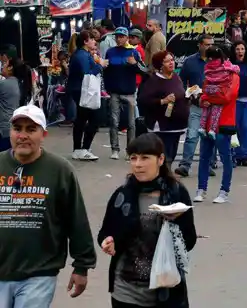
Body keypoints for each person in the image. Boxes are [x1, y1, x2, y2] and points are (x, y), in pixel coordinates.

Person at [0, 105, 96, 305]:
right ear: (10, 132)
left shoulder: (60, 170)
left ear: (43, 134)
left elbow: (76, 219)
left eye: (31, 129)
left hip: (39, 273)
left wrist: (82, 265)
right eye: (18, 129)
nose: (23, 135)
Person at [98, 133, 196, 308]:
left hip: (165, 288)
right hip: (125, 289)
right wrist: (107, 241)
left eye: (145, 158)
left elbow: (189, 241)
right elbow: (105, 232)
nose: (138, 164)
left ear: (160, 159)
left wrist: (173, 224)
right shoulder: (122, 195)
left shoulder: (175, 193)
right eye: (133, 158)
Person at [194, 46, 237, 204]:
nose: (211, 61)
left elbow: (227, 97)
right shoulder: (209, 74)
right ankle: (201, 189)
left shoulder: (232, 74)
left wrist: (208, 99)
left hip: (224, 122)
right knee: (204, 157)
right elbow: (205, 92)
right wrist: (203, 98)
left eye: (214, 58)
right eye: (209, 58)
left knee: (226, 158)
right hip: (207, 123)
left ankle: (224, 191)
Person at [138, 51, 189, 167]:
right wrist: (162, 101)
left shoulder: (176, 77)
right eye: (167, 61)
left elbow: (180, 94)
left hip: (177, 125)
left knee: (171, 155)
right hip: (162, 126)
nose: (171, 63)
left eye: (172, 60)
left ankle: (166, 178)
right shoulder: (153, 80)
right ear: (160, 65)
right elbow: (143, 100)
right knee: (164, 158)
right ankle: (162, 180)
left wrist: (189, 95)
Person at [175, 34, 216, 178]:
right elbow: (181, 81)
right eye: (207, 44)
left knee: (210, 137)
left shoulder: (217, 61)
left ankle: (209, 164)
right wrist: (189, 94)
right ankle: (185, 165)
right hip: (195, 105)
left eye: (212, 44)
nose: (210, 47)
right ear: (199, 45)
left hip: (213, 106)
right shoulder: (189, 61)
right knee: (192, 135)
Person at [104, 27, 145, 161]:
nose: (119, 38)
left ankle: (130, 150)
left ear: (127, 37)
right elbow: (106, 71)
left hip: (129, 91)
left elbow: (143, 70)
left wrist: (134, 64)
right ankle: (114, 149)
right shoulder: (110, 52)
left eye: (121, 36)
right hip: (114, 91)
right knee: (113, 121)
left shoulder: (133, 52)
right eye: (117, 36)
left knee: (131, 123)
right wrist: (107, 87)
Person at [67, 29, 104, 161]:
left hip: (81, 89)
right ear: (85, 41)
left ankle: (79, 149)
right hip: (82, 90)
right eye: (92, 39)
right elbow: (87, 72)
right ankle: (83, 148)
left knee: (82, 119)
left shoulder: (83, 54)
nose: (95, 41)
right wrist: (100, 65)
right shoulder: (81, 55)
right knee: (93, 119)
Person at [0, 58, 31, 152]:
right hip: (14, 127)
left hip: (3, 129)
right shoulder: (20, 83)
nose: (2, 65)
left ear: (10, 68)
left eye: (5, 63)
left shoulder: (4, 84)